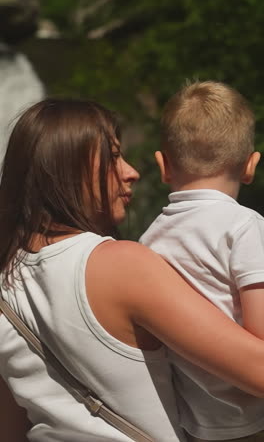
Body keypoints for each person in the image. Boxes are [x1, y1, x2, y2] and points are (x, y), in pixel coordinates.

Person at [2, 100, 264, 442]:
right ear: (66, 166)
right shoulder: (120, 264)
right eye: (113, 157)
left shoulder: (6, 283)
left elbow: (9, 429)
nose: (131, 171)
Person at [140, 81, 264, 442]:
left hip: (190, 421)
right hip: (252, 420)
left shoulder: (149, 239)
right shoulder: (245, 228)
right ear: (250, 166)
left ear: (163, 166)